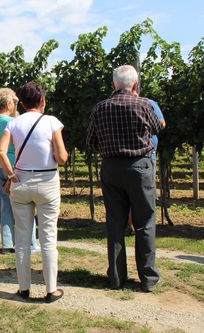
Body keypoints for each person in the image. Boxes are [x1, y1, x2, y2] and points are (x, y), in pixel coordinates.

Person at [87, 65, 163, 292]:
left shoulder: (100, 108)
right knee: (145, 223)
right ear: (135, 84)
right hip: (140, 167)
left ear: (113, 85)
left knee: (115, 223)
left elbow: (91, 142)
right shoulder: (145, 105)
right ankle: (148, 279)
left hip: (111, 168)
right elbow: (158, 128)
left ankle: (117, 278)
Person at [0, 82, 68, 303]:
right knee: (48, 238)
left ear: (23, 103)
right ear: (43, 102)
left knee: (22, 237)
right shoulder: (51, 122)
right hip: (47, 182)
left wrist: (10, 174)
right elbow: (63, 158)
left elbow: (0, 151)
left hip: (21, 182)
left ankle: (24, 288)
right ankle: (51, 290)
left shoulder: (14, 123)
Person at [0, 87, 40, 254]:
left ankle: (7, 244)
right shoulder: (13, 122)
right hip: (13, 167)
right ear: (9, 103)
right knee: (25, 205)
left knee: (6, 206)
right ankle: (30, 243)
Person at [126, 95, 166, 235]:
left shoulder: (149, 103)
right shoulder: (145, 103)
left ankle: (139, 226)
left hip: (148, 156)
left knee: (142, 194)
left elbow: (161, 123)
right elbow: (160, 125)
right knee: (139, 193)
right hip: (141, 157)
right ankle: (133, 226)